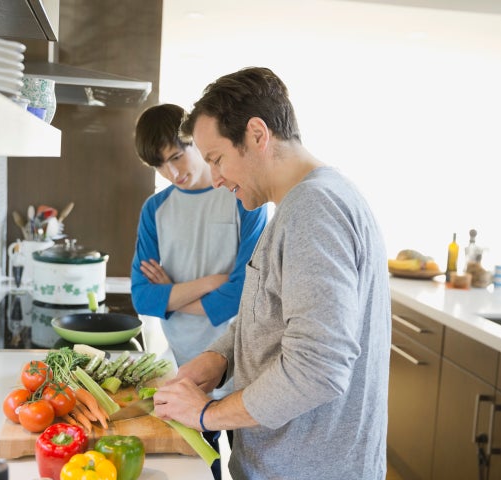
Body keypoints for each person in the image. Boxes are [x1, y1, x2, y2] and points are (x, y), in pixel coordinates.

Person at [153, 68, 391, 480]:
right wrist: (219, 358)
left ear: (258, 135)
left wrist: (208, 414)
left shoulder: (313, 211)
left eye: (217, 158)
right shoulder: (298, 205)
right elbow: (271, 314)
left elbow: (318, 367)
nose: (215, 176)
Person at [130, 103, 268, 480]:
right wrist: (210, 283)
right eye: (159, 166)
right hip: (181, 368)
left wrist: (171, 297)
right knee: (196, 471)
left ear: (197, 142)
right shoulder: (155, 210)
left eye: (177, 156)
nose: (172, 173)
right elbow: (142, 298)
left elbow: (241, 294)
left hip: (242, 368)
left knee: (245, 471)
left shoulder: (245, 199)